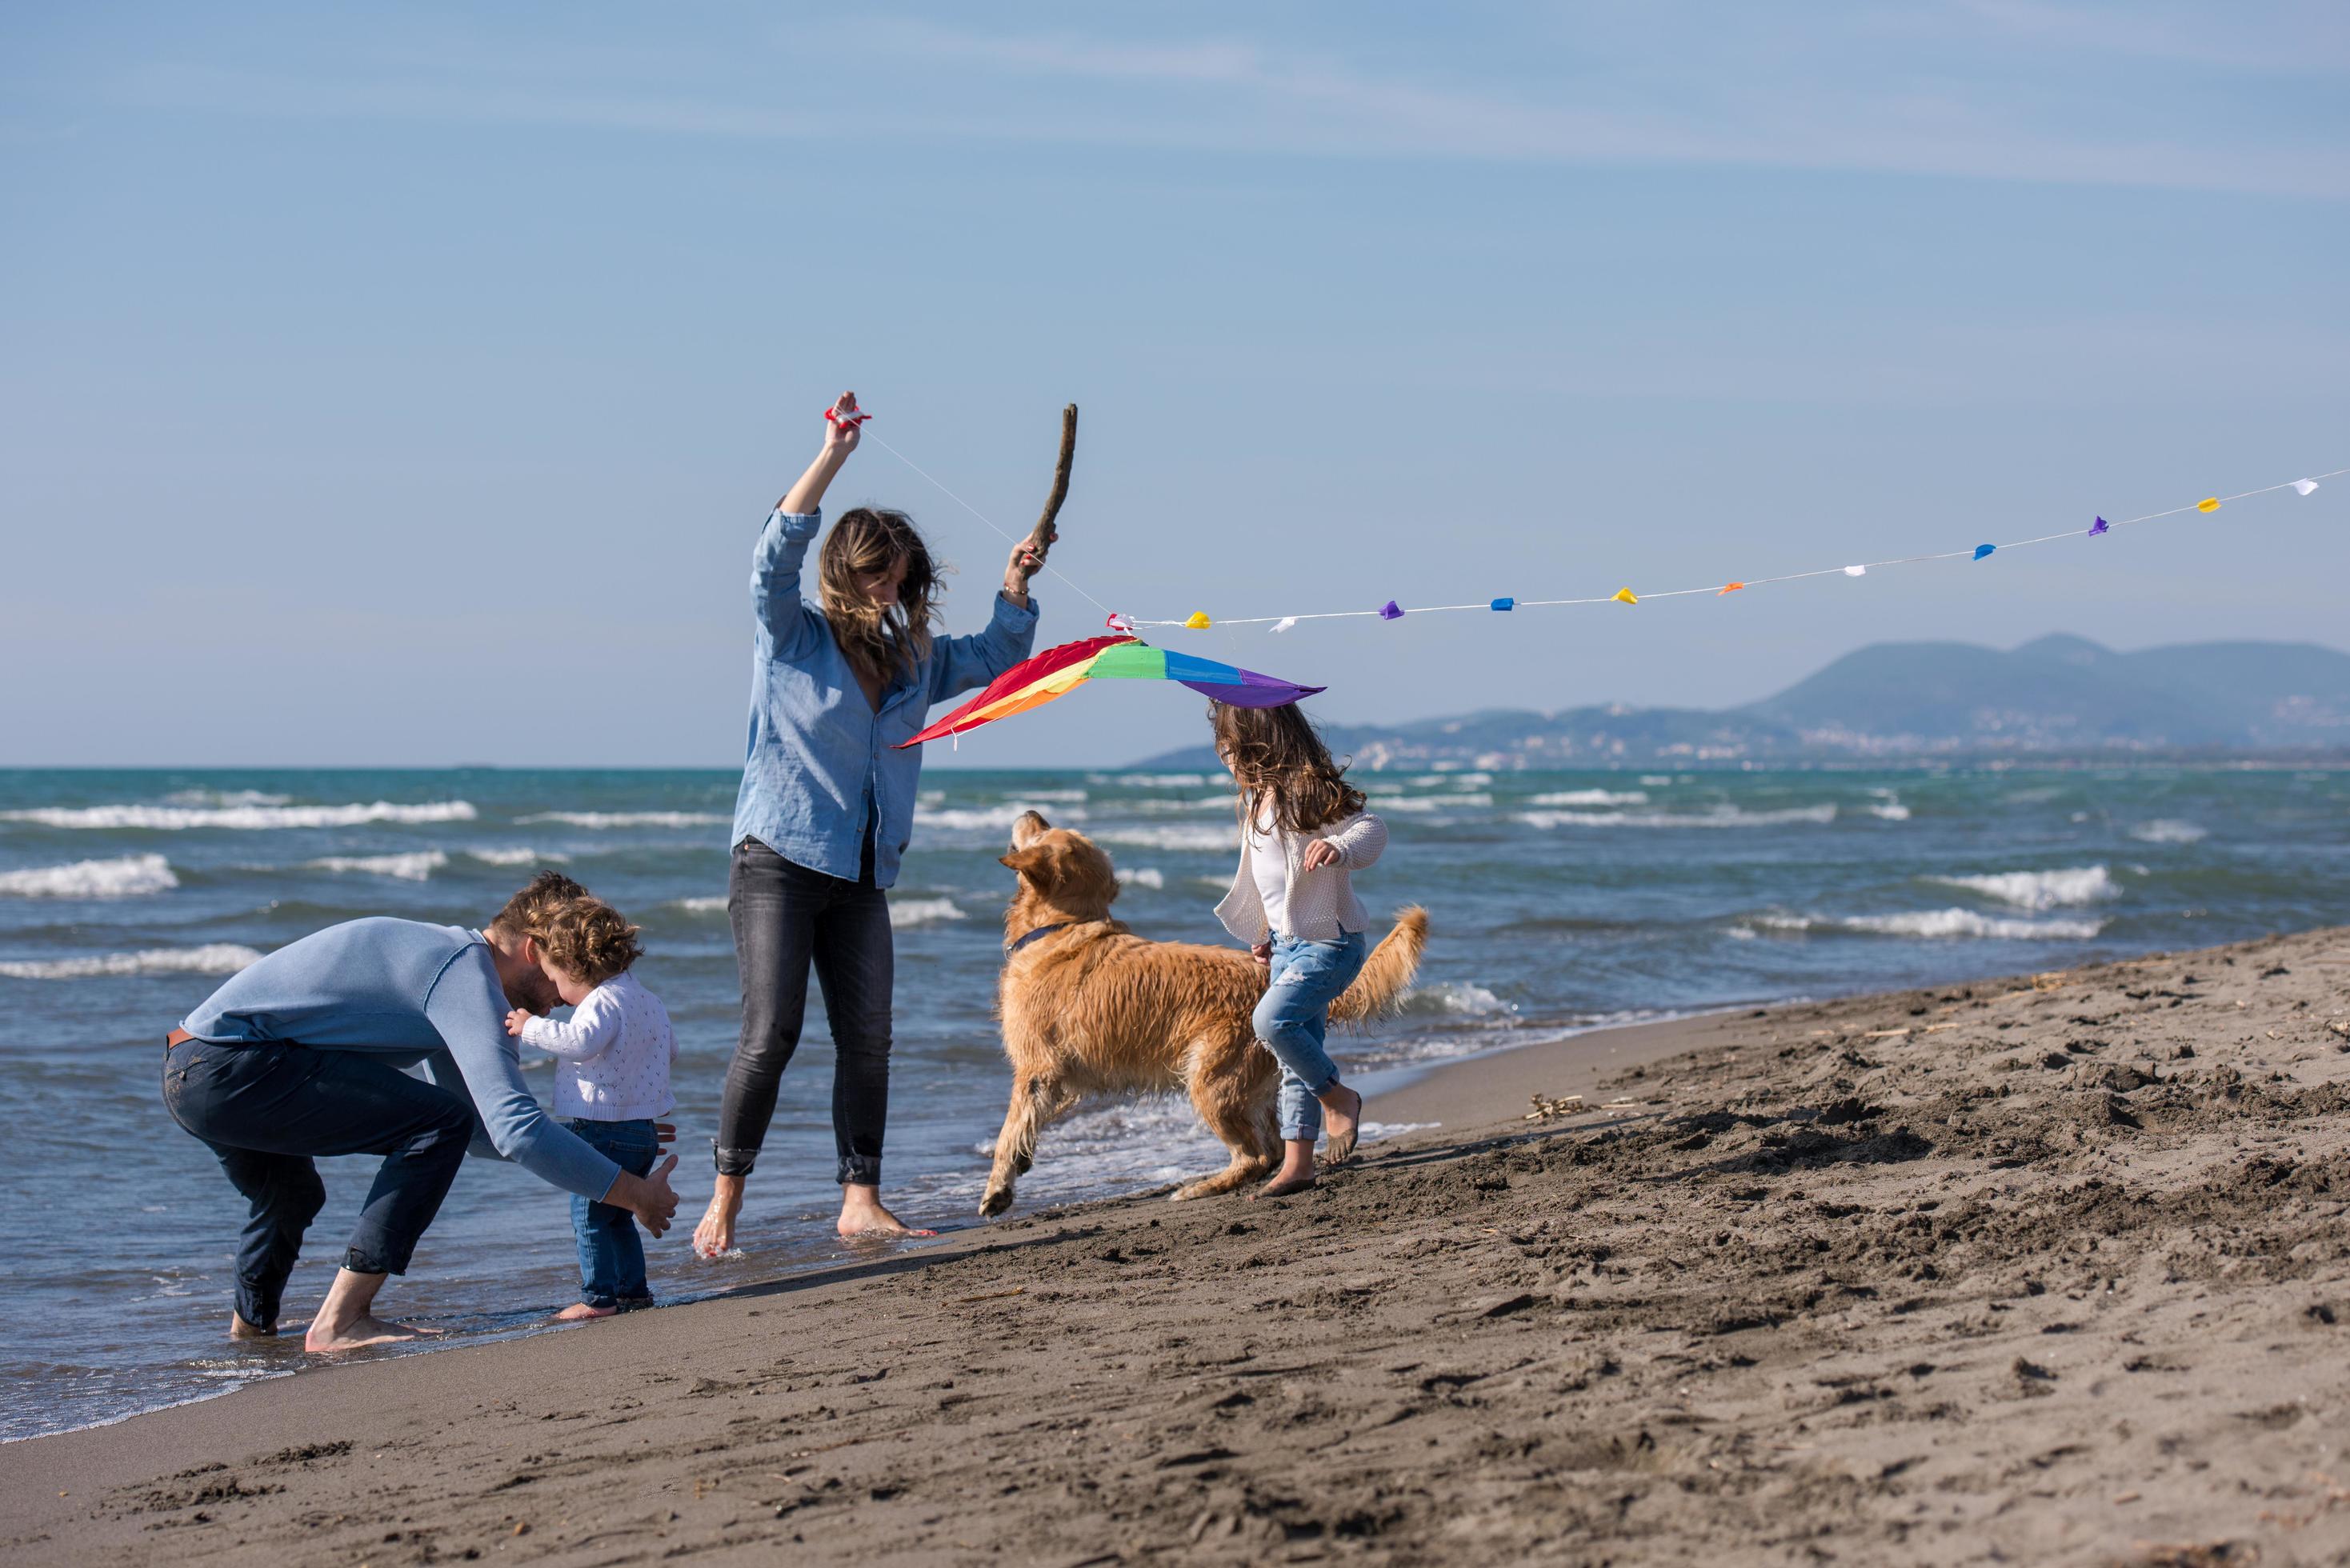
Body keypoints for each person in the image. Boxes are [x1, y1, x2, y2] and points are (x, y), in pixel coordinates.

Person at [696, 390, 1050, 1254]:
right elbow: (767, 563)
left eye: (900, 576)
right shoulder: (792, 636)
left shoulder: (914, 657)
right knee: (771, 1031)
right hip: (777, 856)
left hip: (863, 872)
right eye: (875, 573)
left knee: (869, 1039)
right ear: (843, 571)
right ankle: (726, 1199)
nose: (890, 587)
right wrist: (832, 455)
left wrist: (1015, 586)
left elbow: (997, 657)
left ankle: (860, 1198)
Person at [161, 871, 681, 1352]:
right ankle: (343, 1320)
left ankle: (251, 1335)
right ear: (531, 949)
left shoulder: (443, 965)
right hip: (231, 1066)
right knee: (436, 1122)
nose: (573, 1000)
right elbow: (514, 1131)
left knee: (293, 1194)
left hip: (192, 1068)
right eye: (571, 971)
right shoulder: (464, 977)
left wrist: (604, 1141)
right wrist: (635, 1194)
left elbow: (483, 1131)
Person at [1210, 701, 1391, 1198]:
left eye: (1228, 747)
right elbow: (1270, 881)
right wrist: (1268, 933)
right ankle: (1298, 1166)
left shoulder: (1306, 791)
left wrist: (1342, 849)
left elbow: (1372, 830)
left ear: (1257, 745)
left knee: (1271, 1023)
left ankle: (1339, 1097)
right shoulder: (1257, 802)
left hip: (1331, 942)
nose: (1224, 757)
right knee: (1293, 1059)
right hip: (1288, 946)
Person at [502, 895, 677, 1320]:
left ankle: (598, 1298)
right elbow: (668, 1050)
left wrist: (532, 1027)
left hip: (601, 1130)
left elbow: (580, 1043)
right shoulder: (648, 1000)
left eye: (553, 977)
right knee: (620, 1214)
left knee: (589, 1213)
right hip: (642, 1131)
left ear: (574, 967)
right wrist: (641, 1100)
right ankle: (633, 1292)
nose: (558, 993)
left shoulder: (601, 1001)